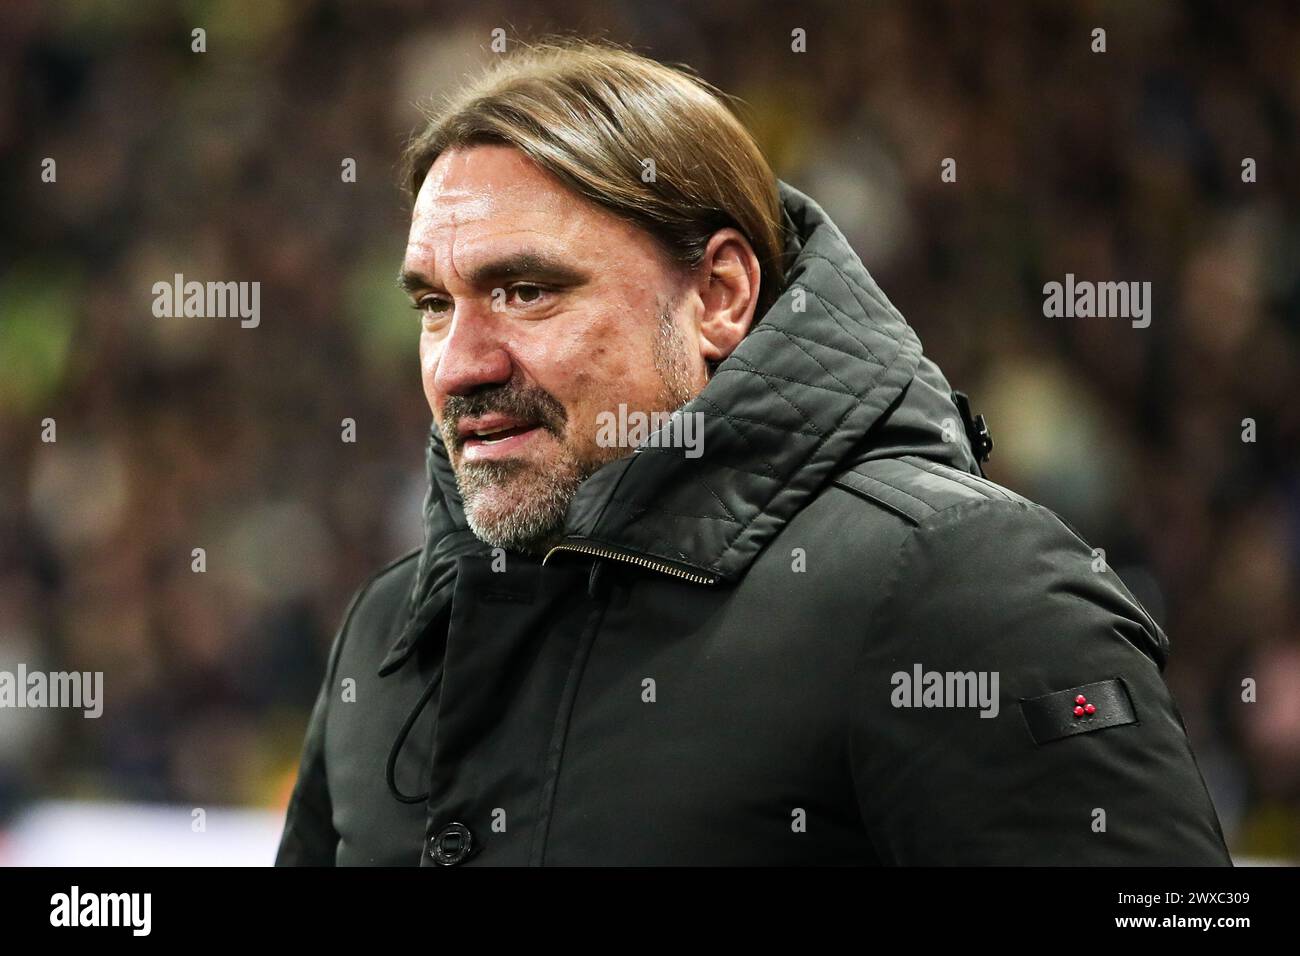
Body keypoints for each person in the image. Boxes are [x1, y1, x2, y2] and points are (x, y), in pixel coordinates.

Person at [275, 39, 1231, 866]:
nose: (459, 365)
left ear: (719, 298)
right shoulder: (390, 632)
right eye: (433, 305)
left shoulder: (960, 588)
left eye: (527, 292)